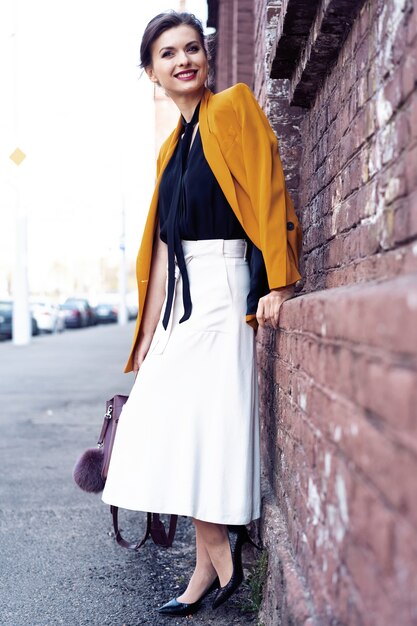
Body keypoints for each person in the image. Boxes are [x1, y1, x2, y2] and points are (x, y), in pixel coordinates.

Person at [102, 10, 302, 618]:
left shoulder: (234, 107)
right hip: (183, 302)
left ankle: (217, 552)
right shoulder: (171, 147)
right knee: (170, 426)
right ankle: (211, 557)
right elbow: (164, 246)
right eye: (168, 54)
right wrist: (151, 331)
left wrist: (279, 283)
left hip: (224, 283)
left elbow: (269, 189)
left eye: (192, 47)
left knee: (201, 428)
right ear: (150, 72)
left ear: (206, 58)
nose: (183, 59)